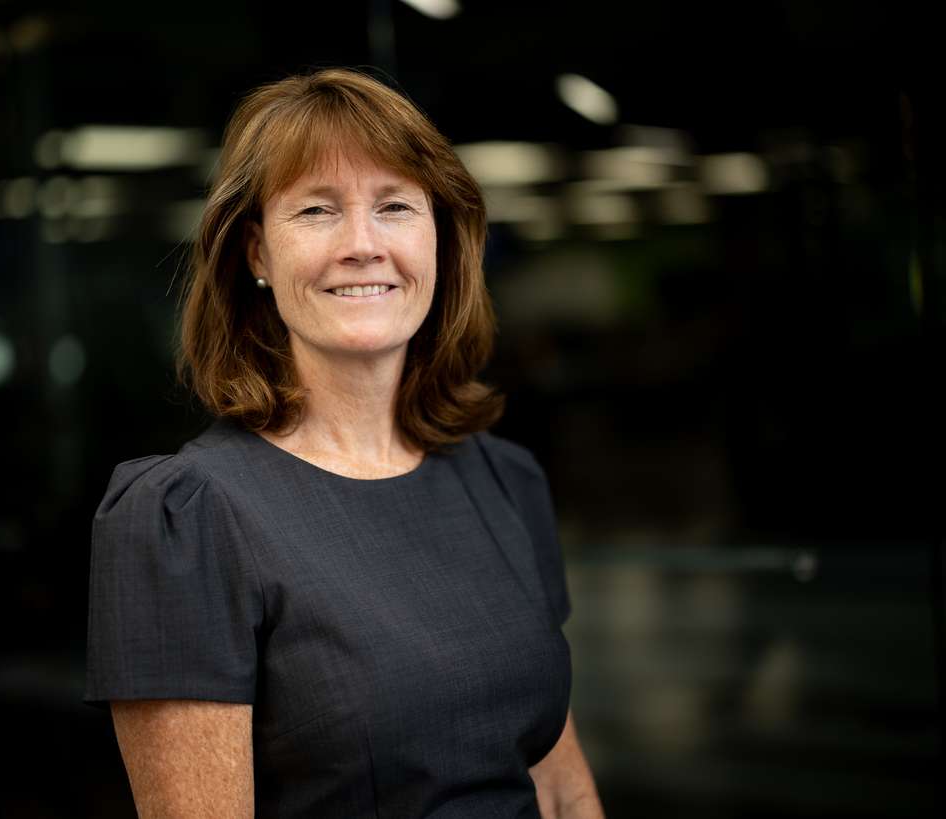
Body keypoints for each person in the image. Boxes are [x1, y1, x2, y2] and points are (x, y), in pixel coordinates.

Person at [84, 67, 604, 818]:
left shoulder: (505, 479)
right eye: (318, 210)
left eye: (394, 206)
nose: (363, 245)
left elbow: (561, 785)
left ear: (441, 239)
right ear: (257, 254)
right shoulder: (185, 520)